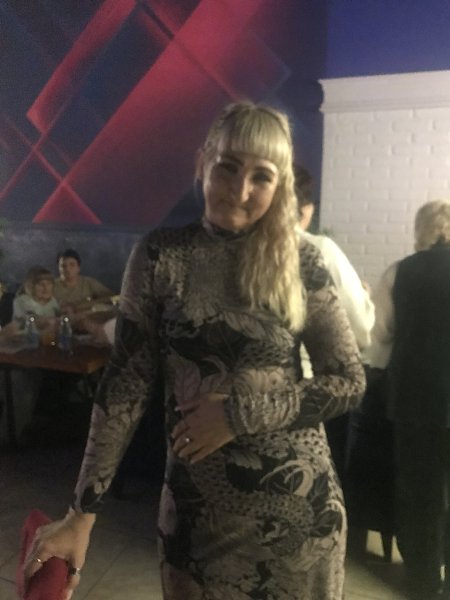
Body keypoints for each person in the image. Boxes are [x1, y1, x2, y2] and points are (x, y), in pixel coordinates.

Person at [24, 101, 366, 600]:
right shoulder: (161, 256)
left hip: (302, 522)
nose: (241, 190)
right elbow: (126, 386)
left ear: (280, 186)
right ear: (203, 162)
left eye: (262, 177)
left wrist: (238, 415)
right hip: (198, 518)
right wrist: (81, 514)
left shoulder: (303, 261)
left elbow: (348, 381)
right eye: (229, 167)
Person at [366, 199, 450, 599]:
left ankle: (423, 582)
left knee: (419, 493)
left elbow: (380, 331)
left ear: (421, 229)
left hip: (416, 397)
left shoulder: (401, 272)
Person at [54, 249, 114, 313]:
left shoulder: (88, 282)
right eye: (63, 266)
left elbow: (111, 297)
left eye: (72, 265)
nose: (67, 269)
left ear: (78, 268)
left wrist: (86, 305)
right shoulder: (51, 285)